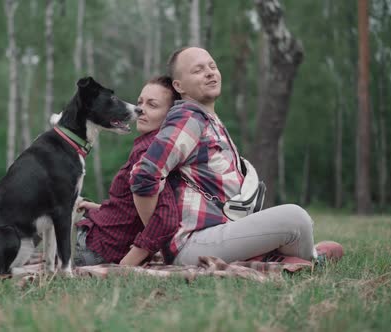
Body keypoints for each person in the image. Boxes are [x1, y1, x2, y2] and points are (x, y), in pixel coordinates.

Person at [0, 76, 182, 267]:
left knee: (20, 224)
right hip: (92, 233)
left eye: (152, 105)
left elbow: (164, 216)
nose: (139, 109)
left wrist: (133, 257)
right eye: (140, 101)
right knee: (20, 213)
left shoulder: (153, 153)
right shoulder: (152, 147)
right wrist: (96, 207)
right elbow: (132, 209)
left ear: (171, 114)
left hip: (90, 247)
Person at [129, 47, 342, 266]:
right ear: (179, 85)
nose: (210, 72)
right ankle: (308, 260)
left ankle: (284, 259)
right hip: (193, 243)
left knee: (295, 224)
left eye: (212, 66)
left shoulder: (208, 118)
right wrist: (156, 239)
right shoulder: (188, 118)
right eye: (198, 70)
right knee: (296, 219)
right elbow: (144, 175)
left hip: (220, 231)